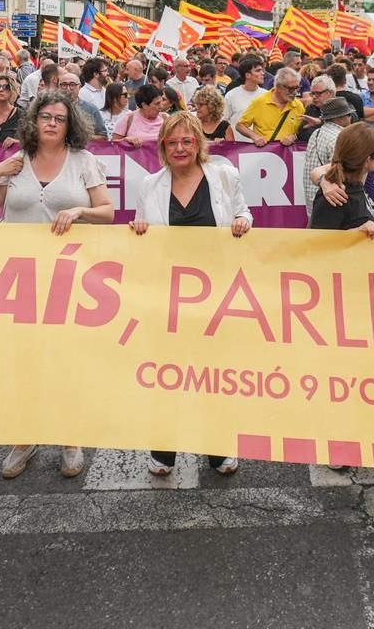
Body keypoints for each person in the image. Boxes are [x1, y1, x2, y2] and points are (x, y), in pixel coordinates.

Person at [0, 90, 114, 481]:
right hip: (18, 276)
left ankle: (69, 436)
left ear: (71, 125)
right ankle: (26, 436)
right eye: (45, 117)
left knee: (65, 356)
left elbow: (107, 213)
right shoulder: (17, 162)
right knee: (24, 358)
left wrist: (80, 209)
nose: (51, 123)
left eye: (59, 118)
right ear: (34, 121)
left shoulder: (84, 161)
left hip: (69, 277)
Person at [129, 112, 250, 478]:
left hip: (216, 297)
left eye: (187, 141)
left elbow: (242, 212)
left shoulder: (225, 176)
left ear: (198, 142)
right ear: (163, 146)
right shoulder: (150, 184)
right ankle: (164, 451)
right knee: (166, 374)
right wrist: (138, 229)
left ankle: (218, 448)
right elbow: (141, 228)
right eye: (172, 142)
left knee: (215, 375)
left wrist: (245, 221)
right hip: (167, 298)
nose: (180, 148)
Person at [309, 122, 374, 237]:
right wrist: (358, 232)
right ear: (368, 160)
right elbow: (317, 242)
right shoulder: (336, 196)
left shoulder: (354, 184)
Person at [301, 97, 357, 216]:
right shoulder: (340, 138)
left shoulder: (316, 133)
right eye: (348, 115)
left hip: (313, 202)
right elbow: (339, 175)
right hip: (330, 202)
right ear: (341, 118)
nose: (350, 118)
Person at [234, 67, 304, 147]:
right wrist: (255, 137)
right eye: (291, 89)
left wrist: (293, 136)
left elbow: (301, 131)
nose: (295, 92)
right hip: (265, 155)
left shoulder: (298, 105)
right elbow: (240, 126)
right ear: (278, 87)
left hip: (287, 156)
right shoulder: (260, 102)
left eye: (297, 88)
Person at [112, 83, 169, 148]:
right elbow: (113, 144)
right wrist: (125, 140)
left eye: (161, 102)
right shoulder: (128, 119)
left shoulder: (166, 118)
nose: (161, 106)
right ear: (144, 105)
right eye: (157, 103)